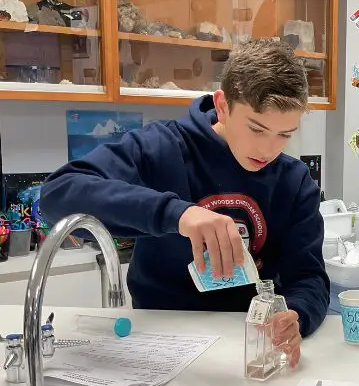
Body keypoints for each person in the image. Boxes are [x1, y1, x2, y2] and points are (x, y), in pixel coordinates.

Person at [41, 40, 330, 368]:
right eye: (256, 128)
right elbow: (58, 194)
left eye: (284, 134)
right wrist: (177, 213)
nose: (268, 149)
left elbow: (309, 278)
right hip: (157, 342)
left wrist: (296, 315)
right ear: (222, 105)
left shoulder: (295, 182)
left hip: (249, 345)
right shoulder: (162, 147)